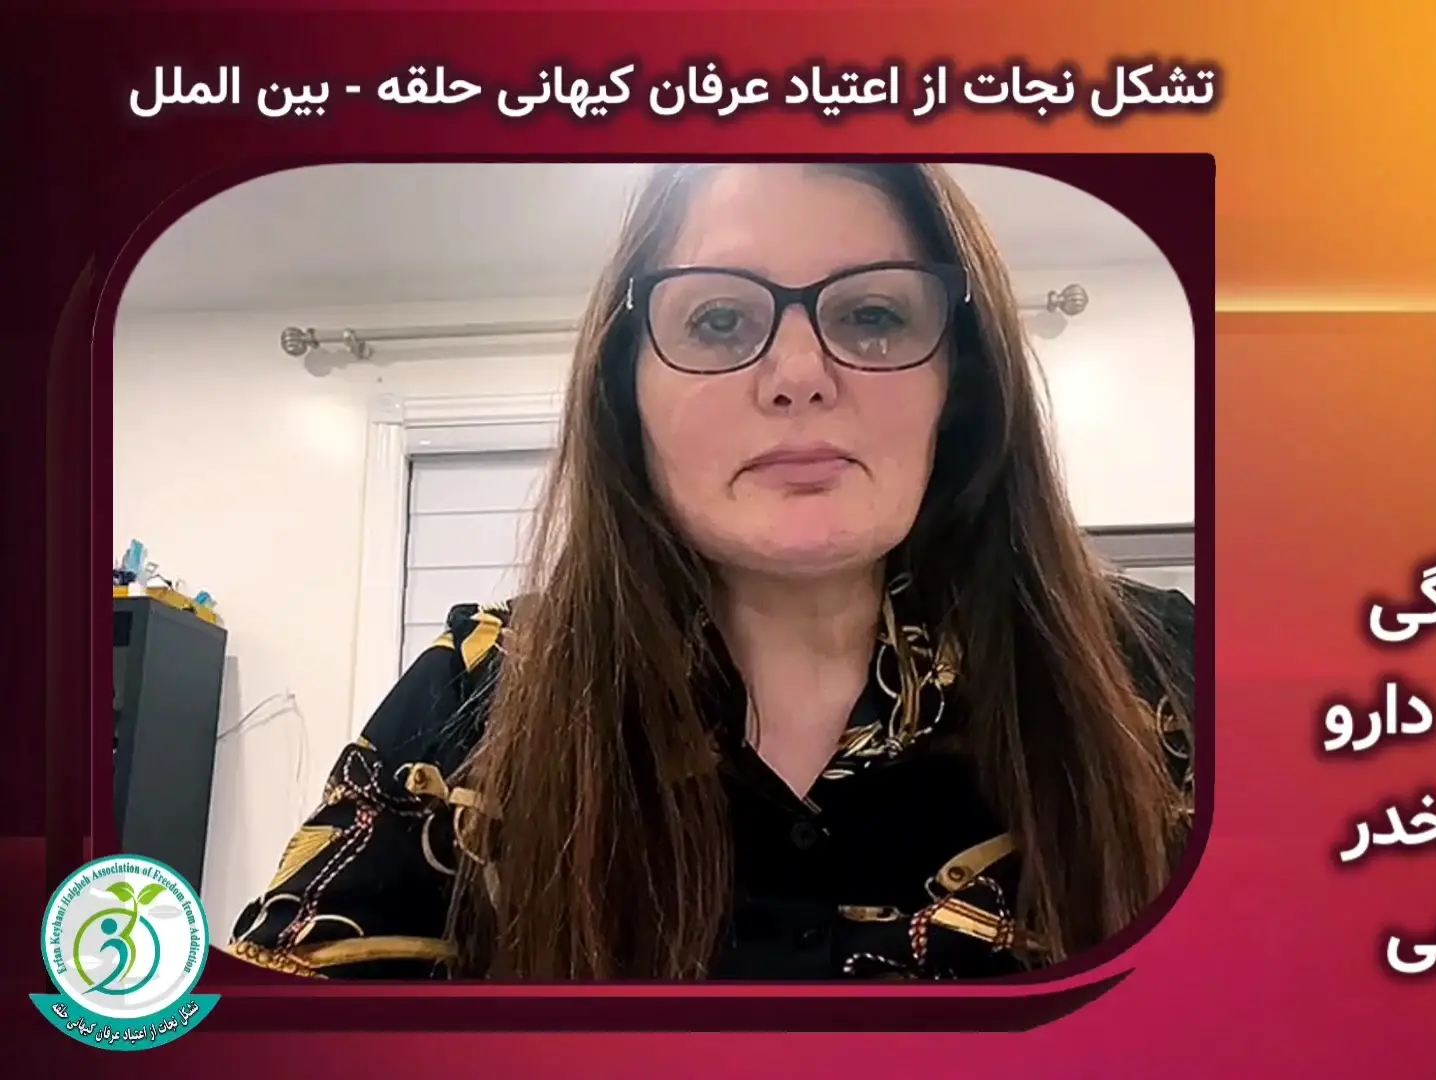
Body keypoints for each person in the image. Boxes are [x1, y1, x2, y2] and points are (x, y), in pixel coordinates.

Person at [226, 162, 1197, 981]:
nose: (800, 375)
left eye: (873, 314)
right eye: (722, 322)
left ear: (962, 387)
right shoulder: (481, 685)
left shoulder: (1167, 672)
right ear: (628, 393)